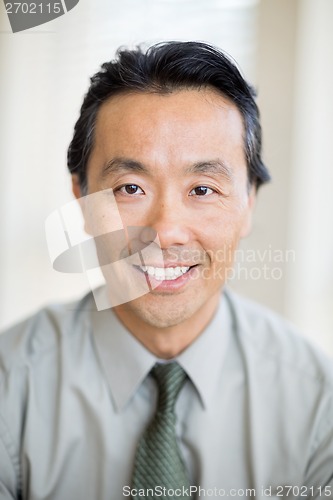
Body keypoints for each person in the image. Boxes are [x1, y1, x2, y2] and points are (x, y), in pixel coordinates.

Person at [0, 41, 332, 500]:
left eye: (202, 189)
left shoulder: (317, 403)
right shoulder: (10, 384)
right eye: (130, 187)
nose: (166, 231)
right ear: (81, 197)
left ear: (249, 201)